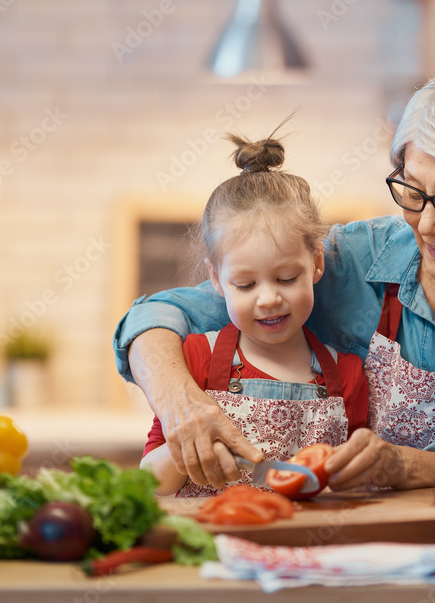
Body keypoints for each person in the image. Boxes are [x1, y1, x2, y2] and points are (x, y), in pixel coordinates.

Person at [116, 54, 435, 502]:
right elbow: (159, 317)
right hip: (373, 550)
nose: (427, 223)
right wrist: (179, 403)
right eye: (413, 191)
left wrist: (407, 466)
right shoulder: (355, 257)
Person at [139, 129, 369, 497]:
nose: (268, 299)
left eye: (287, 278)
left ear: (316, 263)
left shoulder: (349, 374)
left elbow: (358, 490)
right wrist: (191, 451)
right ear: (216, 279)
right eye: (245, 285)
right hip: (212, 548)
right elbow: (148, 484)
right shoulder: (195, 357)